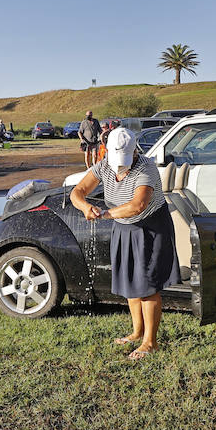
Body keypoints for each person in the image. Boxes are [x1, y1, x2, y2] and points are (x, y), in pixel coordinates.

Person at [68, 127, 179, 360]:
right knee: (130, 280)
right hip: (123, 226)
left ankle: (151, 342)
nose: (120, 166)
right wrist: (85, 206)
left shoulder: (146, 168)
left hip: (150, 227)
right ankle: (137, 333)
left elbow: (138, 205)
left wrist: (106, 214)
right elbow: (77, 191)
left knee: (147, 285)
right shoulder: (104, 165)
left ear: (134, 152)